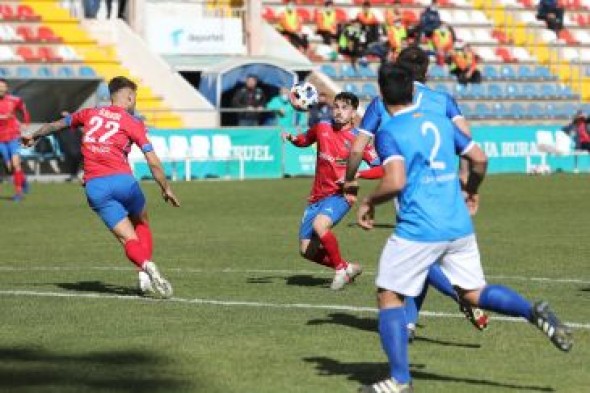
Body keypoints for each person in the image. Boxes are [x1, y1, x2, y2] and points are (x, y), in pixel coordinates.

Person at [356, 64, 573, 393]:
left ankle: (399, 379)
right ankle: (531, 311)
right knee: (474, 292)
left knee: (388, 294)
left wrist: (369, 202)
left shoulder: (391, 131)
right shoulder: (442, 122)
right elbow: (480, 157)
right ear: (414, 91)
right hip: (458, 225)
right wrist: (471, 188)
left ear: (382, 93)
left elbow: (395, 181)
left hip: (419, 227)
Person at [343, 46, 486, 339]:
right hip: (445, 185)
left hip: (409, 185)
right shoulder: (443, 99)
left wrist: (349, 179)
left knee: (422, 253)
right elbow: (467, 141)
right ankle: (409, 321)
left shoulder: (384, 103)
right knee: (427, 252)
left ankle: (460, 295)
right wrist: (464, 180)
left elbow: (357, 147)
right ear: (428, 71)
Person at [21, 76, 180, 298]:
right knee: (141, 221)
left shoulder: (89, 113)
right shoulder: (133, 122)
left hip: (95, 187)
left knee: (127, 239)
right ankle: (143, 273)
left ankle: (145, 266)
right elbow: (152, 161)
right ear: (130, 97)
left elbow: (56, 125)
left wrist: (34, 136)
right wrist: (166, 188)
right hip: (124, 182)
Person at [282, 92, 379, 290]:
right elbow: (305, 139)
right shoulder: (322, 127)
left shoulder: (358, 139)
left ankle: (340, 272)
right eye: (336, 107)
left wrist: (357, 176)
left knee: (320, 226)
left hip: (341, 195)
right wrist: (293, 139)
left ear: (353, 113)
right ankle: (345, 267)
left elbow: (381, 168)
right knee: (306, 250)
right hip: (316, 196)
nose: (339, 112)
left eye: (344, 108)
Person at [0, 78, 30, 201]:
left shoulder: (15, 100)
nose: (0, 89)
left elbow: (24, 111)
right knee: (9, 167)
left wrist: (26, 123)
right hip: (1, 139)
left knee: (15, 163)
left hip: (13, 136)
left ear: (6, 88)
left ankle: (18, 193)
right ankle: (23, 180)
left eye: (2, 86)